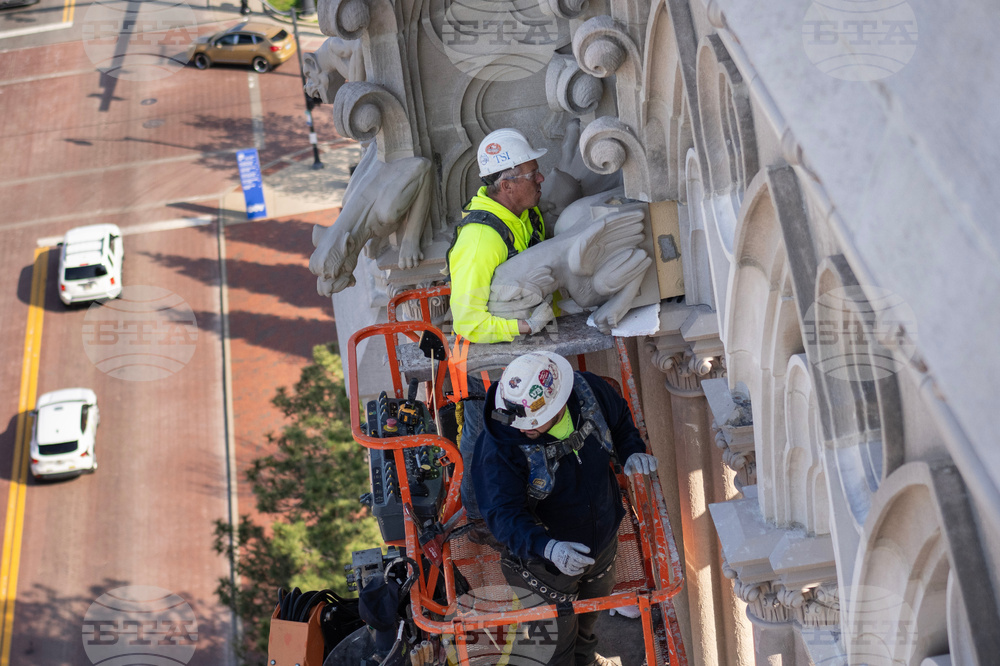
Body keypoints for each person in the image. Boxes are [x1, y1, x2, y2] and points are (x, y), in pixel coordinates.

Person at [471, 351, 658, 666]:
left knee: (588, 616)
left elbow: (622, 421)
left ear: (558, 403)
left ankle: (585, 660)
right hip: (542, 564)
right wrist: (549, 548)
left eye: (535, 423)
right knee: (554, 641)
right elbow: (503, 517)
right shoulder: (500, 448)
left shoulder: (590, 393)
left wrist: (631, 452)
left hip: (602, 542)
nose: (524, 429)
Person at [448, 128, 558, 533]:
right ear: (506, 185)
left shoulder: (522, 214)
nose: (541, 178)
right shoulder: (481, 239)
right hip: (483, 367)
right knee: (484, 445)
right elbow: (468, 321)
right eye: (533, 173)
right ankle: (478, 520)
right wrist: (525, 326)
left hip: (512, 355)